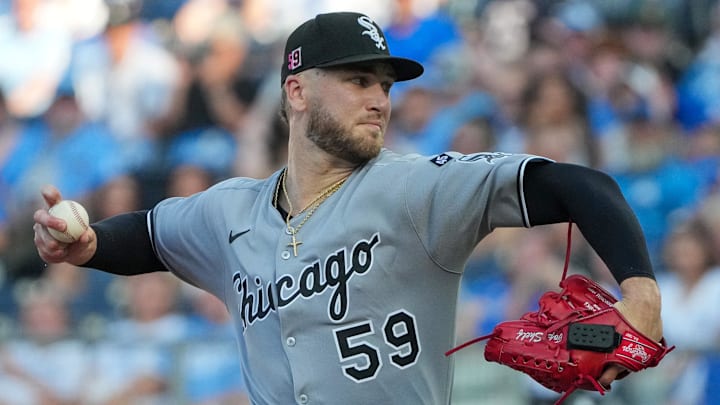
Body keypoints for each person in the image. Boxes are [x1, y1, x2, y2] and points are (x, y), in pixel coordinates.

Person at [33, 11, 666, 405]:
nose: (380, 100)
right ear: (297, 89)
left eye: (385, 86)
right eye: (359, 80)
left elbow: (581, 186)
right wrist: (87, 244)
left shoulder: (419, 189)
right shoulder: (230, 213)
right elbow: (146, 237)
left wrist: (641, 294)